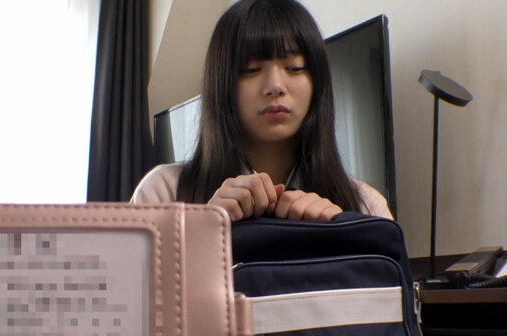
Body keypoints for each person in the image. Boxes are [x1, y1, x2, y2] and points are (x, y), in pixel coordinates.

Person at [131, 0, 392, 221]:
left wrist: (343, 236)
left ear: (317, 82)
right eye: (251, 70)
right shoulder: (163, 193)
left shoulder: (365, 205)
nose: (275, 86)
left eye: (295, 68)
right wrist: (205, 230)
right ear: (221, 84)